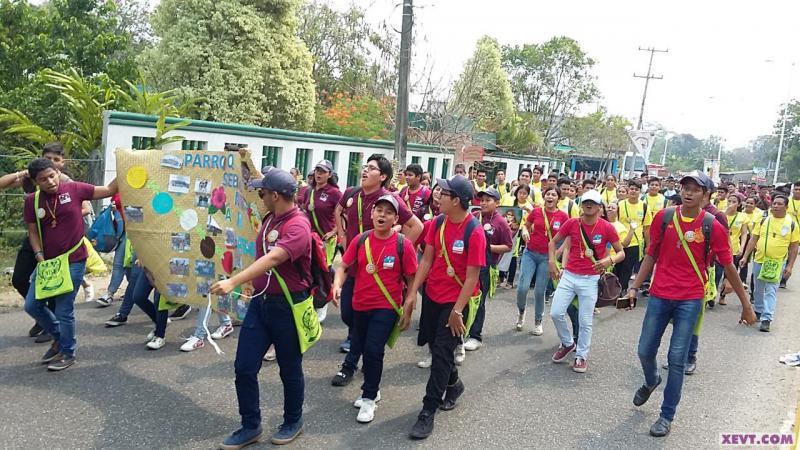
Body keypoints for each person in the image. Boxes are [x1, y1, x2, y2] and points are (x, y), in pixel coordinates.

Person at [629, 171, 756, 438]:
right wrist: (632, 287)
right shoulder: (663, 218)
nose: (688, 192)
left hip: (690, 298)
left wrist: (746, 304)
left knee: (677, 359)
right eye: (685, 187)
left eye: (695, 189)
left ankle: (666, 416)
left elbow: (728, 266)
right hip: (660, 295)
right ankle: (651, 380)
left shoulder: (713, 226)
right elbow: (650, 255)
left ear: (705, 195)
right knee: (644, 350)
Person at [211, 169, 312, 447]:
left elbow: (273, 258)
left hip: (288, 307)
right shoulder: (271, 218)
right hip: (261, 303)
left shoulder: (298, 226)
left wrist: (233, 281)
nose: (260, 196)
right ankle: (250, 425)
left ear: (275, 195)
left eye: (263, 192)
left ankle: (293, 420)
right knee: (244, 366)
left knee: (289, 368)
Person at [403, 175, 486, 440]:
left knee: (441, 353)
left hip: (456, 301)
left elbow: (472, 276)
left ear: (458, 201)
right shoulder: (437, 223)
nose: (438, 196)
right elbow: (426, 260)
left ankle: (427, 411)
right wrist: (413, 293)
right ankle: (454, 385)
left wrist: (458, 310)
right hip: (433, 295)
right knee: (434, 345)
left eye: (444, 193)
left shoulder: (475, 231)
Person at [22, 157, 118, 371]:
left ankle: (68, 351)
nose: (50, 181)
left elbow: (110, 189)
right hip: (48, 264)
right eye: (43, 179)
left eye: (52, 175)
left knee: (64, 309)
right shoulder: (32, 201)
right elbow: (33, 231)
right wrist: (39, 256)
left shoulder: (74, 189)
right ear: (36, 182)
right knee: (31, 305)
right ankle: (59, 338)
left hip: (74, 260)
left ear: (57, 172)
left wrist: (130, 167)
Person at [333, 154, 423, 380]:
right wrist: (342, 234)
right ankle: (362, 349)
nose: (365, 171)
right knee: (348, 315)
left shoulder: (390, 200)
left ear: (382, 176)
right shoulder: (352, 194)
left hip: (379, 274)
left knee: (367, 328)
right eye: (365, 167)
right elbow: (338, 210)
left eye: (371, 168)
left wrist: (399, 250)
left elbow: (416, 226)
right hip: (354, 266)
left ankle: (350, 365)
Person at [333, 194, 418, 423]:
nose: (382, 215)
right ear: (372, 214)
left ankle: (369, 397)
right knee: (360, 346)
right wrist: (337, 284)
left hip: (386, 307)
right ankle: (373, 387)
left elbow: (412, 279)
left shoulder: (403, 245)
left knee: (373, 350)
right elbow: (343, 266)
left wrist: (410, 303)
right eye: (379, 210)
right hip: (360, 305)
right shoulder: (361, 240)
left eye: (388, 212)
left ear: (396, 219)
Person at [547, 190, 623, 374]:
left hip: (590, 278)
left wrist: (609, 260)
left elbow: (621, 252)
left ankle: (581, 355)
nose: (588, 205)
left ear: (599, 207)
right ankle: (567, 343)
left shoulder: (606, 227)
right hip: (570, 275)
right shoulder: (572, 223)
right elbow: (552, 242)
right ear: (581, 205)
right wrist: (551, 261)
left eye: (593, 203)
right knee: (556, 313)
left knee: (585, 320)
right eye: (585, 202)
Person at [739, 195, 799, 332]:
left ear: (786, 207)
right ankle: (758, 311)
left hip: (777, 262)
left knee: (771, 290)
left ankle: (767, 318)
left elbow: (794, 247)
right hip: (759, 260)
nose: (775, 206)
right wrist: (745, 256)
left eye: (779, 204)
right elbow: (753, 239)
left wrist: (790, 266)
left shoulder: (791, 224)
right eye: (774, 203)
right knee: (758, 289)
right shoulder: (763, 220)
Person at [463, 188, 512, 353]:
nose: (483, 203)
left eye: (488, 200)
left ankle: (475, 336)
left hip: (486, 266)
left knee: (479, 301)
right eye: (481, 200)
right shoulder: (475, 216)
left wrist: (487, 247)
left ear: (497, 203)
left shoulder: (501, 222)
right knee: (464, 296)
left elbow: (508, 246)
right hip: (469, 264)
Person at [516, 186, 567, 335]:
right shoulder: (536, 211)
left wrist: (557, 255)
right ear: (544, 197)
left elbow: (567, 239)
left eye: (553, 195)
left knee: (539, 291)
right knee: (522, 287)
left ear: (558, 198)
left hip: (547, 258)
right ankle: (521, 312)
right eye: (548, 194)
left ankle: (538, 322)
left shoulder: (563, 217)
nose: (550, 197)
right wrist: (525, 231)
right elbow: (526, 225)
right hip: (530, 253)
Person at [298, 160, 342, 267]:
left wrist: (334, 232)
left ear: (329, 175)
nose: (319, 174)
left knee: (324, 269)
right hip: (310, 237)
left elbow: (344, 215)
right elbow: (303, 210)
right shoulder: (309, 191)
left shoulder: (335, 193)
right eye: (317, 170)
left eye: (323, 171)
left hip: (326, 238)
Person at [616, 180, 650, 292]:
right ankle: (613, 289)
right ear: (628, 190)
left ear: (640, 191)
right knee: (617, 267)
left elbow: (646, 228)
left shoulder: (644, 207)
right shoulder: (620, 205)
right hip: (618, 241)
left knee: (627, 268)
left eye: (636, 189)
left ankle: (623, 289)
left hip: (635, 242)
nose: (633, 191)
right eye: (631, 189)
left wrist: (648, 245)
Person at [718, 194, 748, 306]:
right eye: (729, 200)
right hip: (718, 248)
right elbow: (715, 224)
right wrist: (725, 213)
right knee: (716, 274)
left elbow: (744, 233)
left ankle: (722, 295)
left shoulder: (742, 217)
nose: (730, 203)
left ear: (739, 204)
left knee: (728, 275)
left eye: (734, 201)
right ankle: (710, 295)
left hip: (733, 249)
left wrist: (742, 247)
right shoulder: (720, 213)